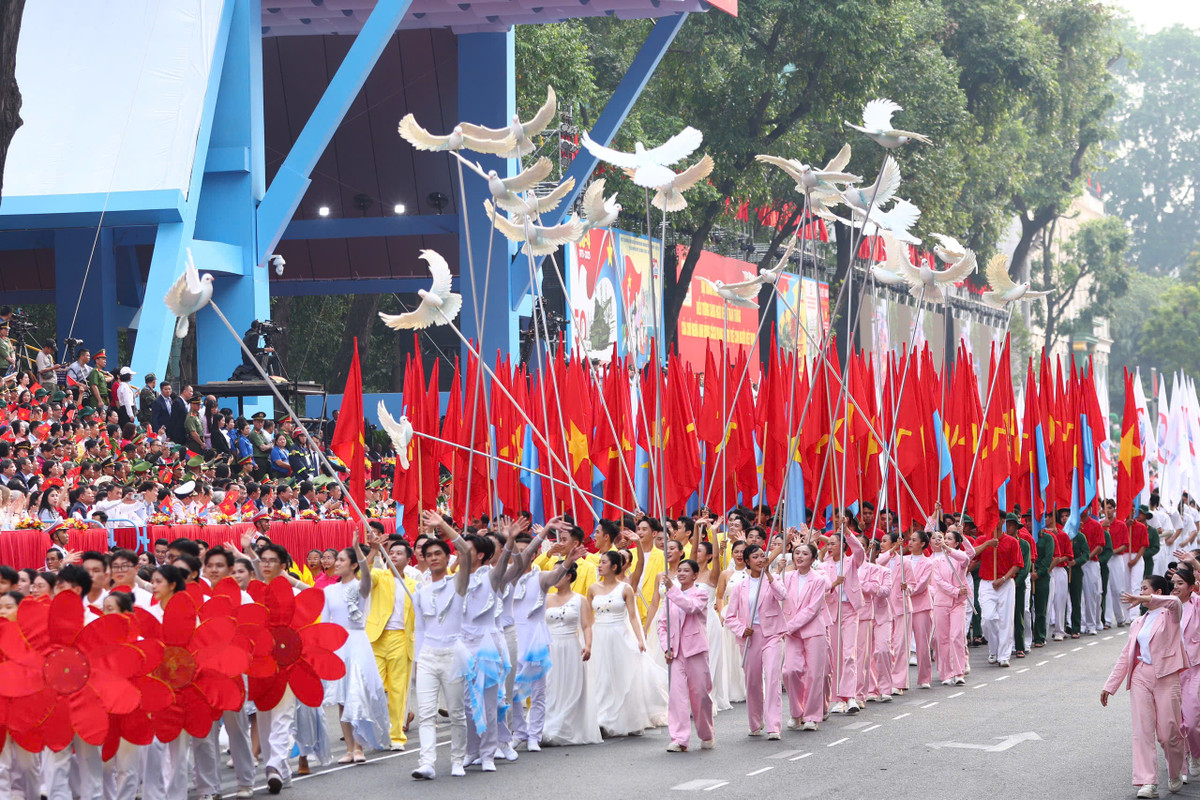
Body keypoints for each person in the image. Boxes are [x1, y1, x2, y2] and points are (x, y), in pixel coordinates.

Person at [1101, 576, 1188, 798]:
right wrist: (1110, 686)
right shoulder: (1138, 623)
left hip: (1167, 675)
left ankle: (1176, 771)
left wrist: (1145, 598)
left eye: (1144, 589)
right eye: (1140, 589)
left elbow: (1174, 602)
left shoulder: (1171, 615)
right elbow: (1125, 656)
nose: (1139, 593)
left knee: (1168, 734)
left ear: (1157, 591)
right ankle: (1147, 782)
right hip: (1141, 676)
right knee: (1142, 731)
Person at [411, 515, 473, 780]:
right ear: (423, 560)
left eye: (439, 553)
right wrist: (416, 662)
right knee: (426, 713)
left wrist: (442, 527)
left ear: (448, 558)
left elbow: (467, 553)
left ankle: (458, 759)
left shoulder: (457, 584)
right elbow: (420, 630)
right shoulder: (420, 593)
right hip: (428, 657)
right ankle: (427, 762)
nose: (433, 557)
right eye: (429, 554)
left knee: (457, 712)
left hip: (453, 655)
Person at [322, 539, 391, 761]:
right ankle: (350, 748)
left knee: (357, 693)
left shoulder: (361, 587)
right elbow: (325, 622)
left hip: (358, 642)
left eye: (342, 559)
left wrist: (364, 550)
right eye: (337, 559)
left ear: (353, 565)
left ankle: (360, 746)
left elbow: (367, 575)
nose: (337, 563)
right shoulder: (330, 590)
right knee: (342, 697)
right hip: (338, 644)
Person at [587, 550, 668, 737]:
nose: (599, 565)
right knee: (601, 677)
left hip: (619, 636)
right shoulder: (593, 589)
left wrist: (640, 639)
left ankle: (623, 717)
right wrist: (587, 641)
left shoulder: (625, 589)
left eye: (604, 562)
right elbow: (589, 619)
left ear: (614, 567)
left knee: (621, 677)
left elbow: (633, 616)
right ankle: (601, 718)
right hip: (599, 635)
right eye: (600, 561)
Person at [724, 542, 785, 739]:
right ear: (748, 561)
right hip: (750, 637)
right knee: (753, 682)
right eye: (755, 557)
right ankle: (756, 722)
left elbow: (783, 595)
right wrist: (742, 629)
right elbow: (730, 616)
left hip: (772, 634)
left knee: (773, 678)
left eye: (762, 556)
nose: (760, 560)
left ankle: (774, 726)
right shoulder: (740, 586)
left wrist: (769, 574)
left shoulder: (773, 578)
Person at [365, 533, 416, 752]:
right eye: (391, 552)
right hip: (377, 637)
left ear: (409, 559)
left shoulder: (413, 584)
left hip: (401, 639)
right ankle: (376, 732)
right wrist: (374, 550)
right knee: (373, 688)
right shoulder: (379, 575)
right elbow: (362, 574)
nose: (393, 556)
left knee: (398, 690)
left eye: (399, 553)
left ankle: (396, 735)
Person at [658, 559, 714, 752]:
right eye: (679, 570)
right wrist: (666, 647)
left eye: (686, 571)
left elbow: (691, 608)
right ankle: (680, 738)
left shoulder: (701, 593)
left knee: (700, 694)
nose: (681, 573)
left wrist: (672, 589)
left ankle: (706, 733)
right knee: (677, 696)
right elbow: (662, 625)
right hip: (676, 652)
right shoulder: (669, 597)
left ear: (695, 575)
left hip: (695, 649)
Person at [542, 563, 602, 746]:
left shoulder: (580, 600)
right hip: (550, 647)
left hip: (571, 646)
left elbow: (586, 626)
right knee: (551, 686)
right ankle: (547, 725)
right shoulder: (545, 599)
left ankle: (565, 727)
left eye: (559, 573)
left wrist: (588, 645)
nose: (554, 577)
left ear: (569, 576)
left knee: (571, 686)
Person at [781, 538, 831, 730]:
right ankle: (796, 712)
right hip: (792, 633)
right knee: (790, 670)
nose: (799, 556)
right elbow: (776, 592)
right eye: (797, 553)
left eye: (804, 553)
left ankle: (812, 716)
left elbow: (812, 609)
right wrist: (778, 569)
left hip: (813, 631)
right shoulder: (787, 577)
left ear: (812, 559)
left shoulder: (818, 580)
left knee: (814, 673)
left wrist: (789, 626)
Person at [975, 516, 1021, 667]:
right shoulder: (983, 539)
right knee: (987, 619)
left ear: (1002, 522)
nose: (995, 523)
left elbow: (1017, 564)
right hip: (987, 584)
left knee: (1006, 620)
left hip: (1005, 584)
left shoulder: (1012, 541)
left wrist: (1003, 579)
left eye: (998, 520)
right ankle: (993, 649)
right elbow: (973, 554)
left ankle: (1004, 655)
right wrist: (988, 543)